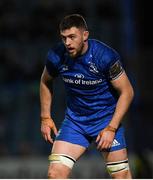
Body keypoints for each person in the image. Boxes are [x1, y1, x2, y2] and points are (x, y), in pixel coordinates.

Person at [40, 14, 134, 179]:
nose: (67, 43)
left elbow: (127, 92)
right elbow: (45, 81)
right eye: (63, 38)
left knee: (121, 176)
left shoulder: (104, 56)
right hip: (75, 123)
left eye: (72, 37)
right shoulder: (56, 55)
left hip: (106, 121)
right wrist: (45, 117)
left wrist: (111, 128)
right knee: (55, 174)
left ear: (85, 35)